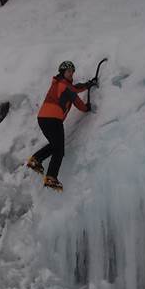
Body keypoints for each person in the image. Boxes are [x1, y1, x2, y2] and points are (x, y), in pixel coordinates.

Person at [27, 60, 98, 191]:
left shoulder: (59, 84)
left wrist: (88, 85)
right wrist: (86, 108)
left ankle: (35, 160)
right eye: (68, 71)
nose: (71, 73)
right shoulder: (65, 86)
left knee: (55, 145)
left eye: (72, 71)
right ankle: (51, 177)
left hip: (43, 119)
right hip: (54, 119)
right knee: (59, 150)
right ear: (62, 72)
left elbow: (75, 89)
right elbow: (76, 100)